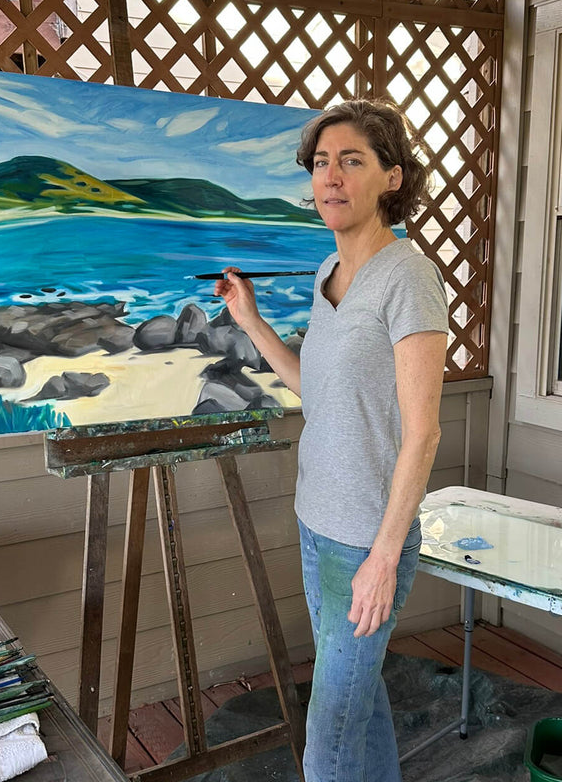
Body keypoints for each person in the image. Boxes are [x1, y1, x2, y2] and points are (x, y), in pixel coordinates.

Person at [215, 99, 449, 782]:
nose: (332, 178)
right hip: (315, 522)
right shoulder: (326, 274)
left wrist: (383, 557)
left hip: (365, 541)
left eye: (351, 161)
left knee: (328, 737)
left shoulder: (409, 278)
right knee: (358, 702)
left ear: (392, 178)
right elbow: (313, 388)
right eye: (321, 163)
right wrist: (251, 322)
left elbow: (424, 432)